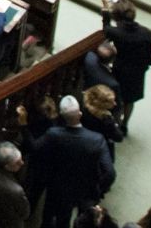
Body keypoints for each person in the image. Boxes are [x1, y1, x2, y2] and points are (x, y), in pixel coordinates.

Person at [32, 95, 114, 228]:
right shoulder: (96, 139)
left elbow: (35, 148)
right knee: (85, 221)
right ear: (80, 114)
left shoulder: (53, 134)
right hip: (85, 188)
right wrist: (98, 190)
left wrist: (24, 126)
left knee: (52, 219)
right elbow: (110, 173)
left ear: (62, 116)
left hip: (58, 186)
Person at [100, 0, 151, 133]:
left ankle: (116, 125)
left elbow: (106, 28)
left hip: (121, 70)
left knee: (117, 99)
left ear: (116, 17)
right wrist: (144, 65)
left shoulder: (116, 32)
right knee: (130, 100)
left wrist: (105, 10)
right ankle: (124, 125)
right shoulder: (144, 32)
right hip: (137, 72)